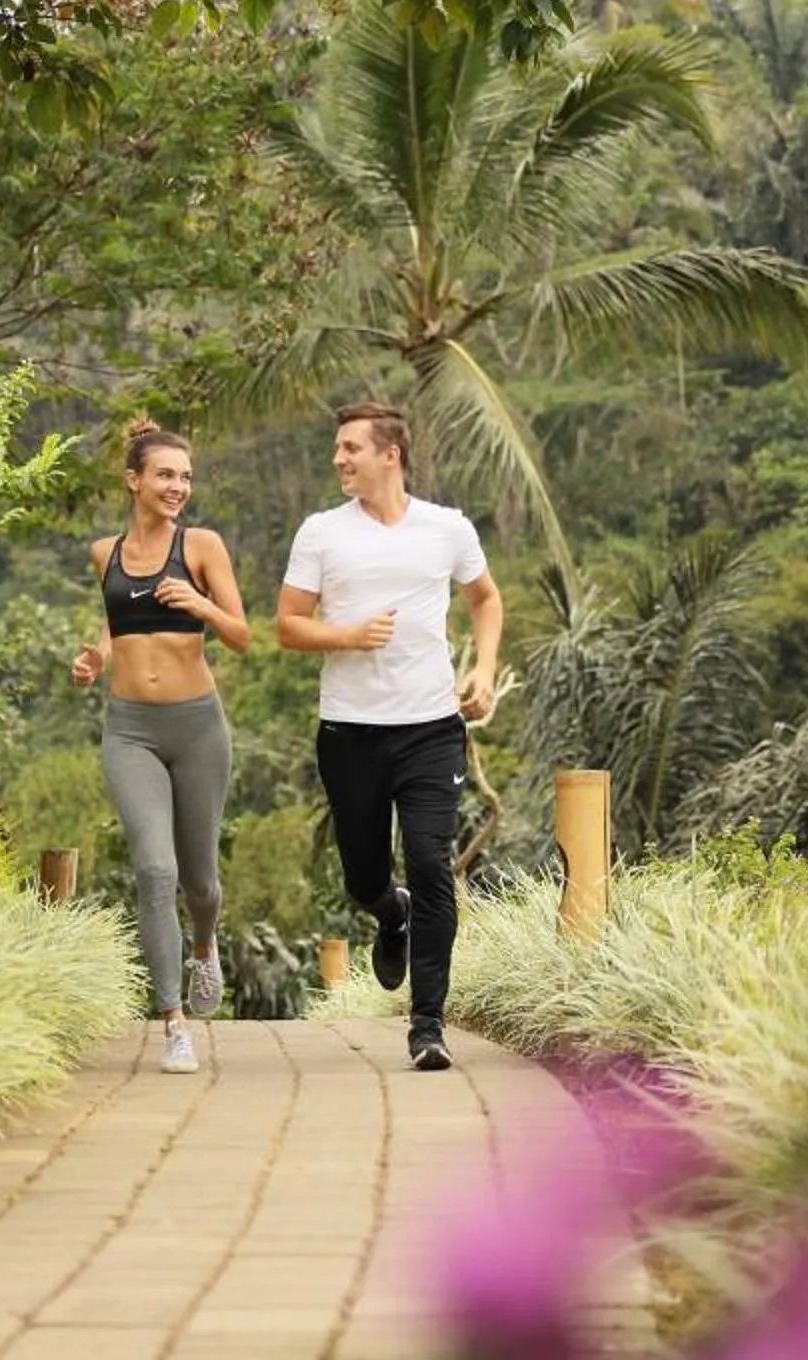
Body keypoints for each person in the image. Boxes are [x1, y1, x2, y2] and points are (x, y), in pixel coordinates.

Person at [275, 400, 503, 1072]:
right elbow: (288, 625)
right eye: (338, 447)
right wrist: (344, 635)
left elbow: (486, 598)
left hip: (432, 728)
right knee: (363, 874)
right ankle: (388, 909)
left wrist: (484, 669)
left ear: (390, 455)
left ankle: (427, 1026)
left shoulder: (446, 529)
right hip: (350, 732)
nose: (339, 458)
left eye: (351, 447)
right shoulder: (321, 534)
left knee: (434, 866)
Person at [73, 419, 249, 1076]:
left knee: (200, 880)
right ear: (134, 480)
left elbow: (242, 635)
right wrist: (97, 657)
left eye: (185, 476)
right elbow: (119, 624)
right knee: (155, 871)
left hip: (197, 729)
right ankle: (174, 1022)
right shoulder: (104, 553)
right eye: (165, 475)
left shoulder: (201, 546)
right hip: (130, 730)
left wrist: (199, 606)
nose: (178, 486)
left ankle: (205, 945)